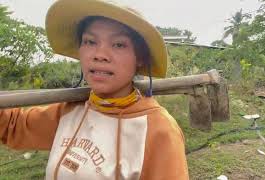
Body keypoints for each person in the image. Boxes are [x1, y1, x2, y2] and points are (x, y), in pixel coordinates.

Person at [0, 0, 189, 179]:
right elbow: (13, 126)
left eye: (118, 44)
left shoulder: (159, 130)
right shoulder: (70, 111)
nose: (100, 55)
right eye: (90, 42)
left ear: (139, 57)